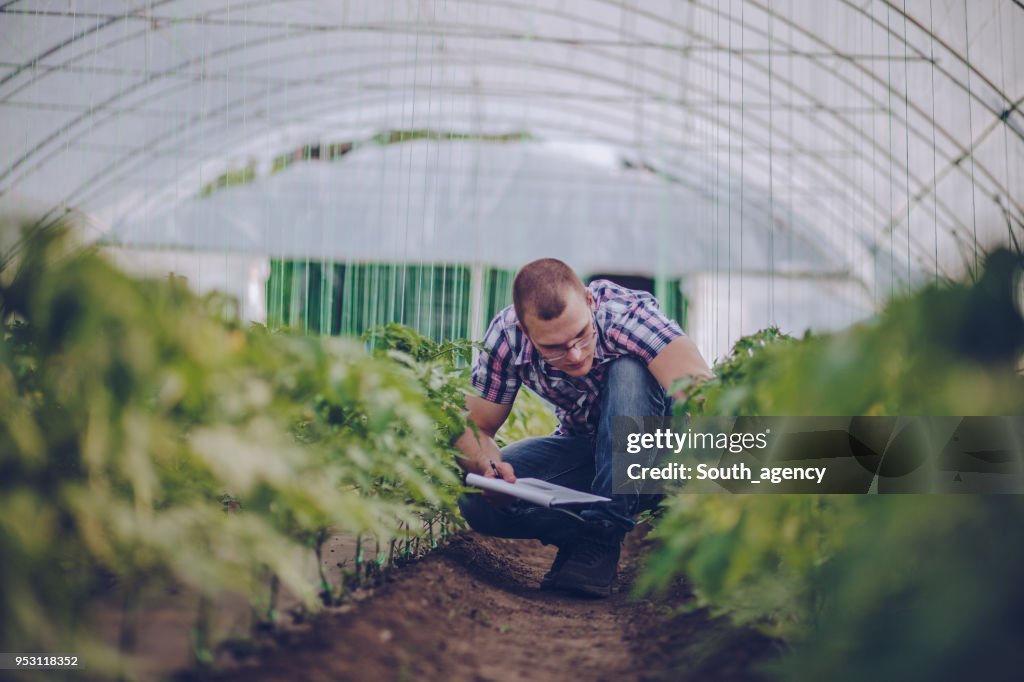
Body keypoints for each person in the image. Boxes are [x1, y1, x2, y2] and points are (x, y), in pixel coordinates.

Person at [455, 258, 713, 597]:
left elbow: (702, 395)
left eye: (581, 335)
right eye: (554, 348)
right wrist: (487, 467)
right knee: (477, 503)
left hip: (665, 456)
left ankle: (602, 534)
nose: (575, 355)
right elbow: (476, 427)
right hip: (590, 456)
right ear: (524, 327)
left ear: (590, 303)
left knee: (629, 370)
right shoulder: (507, 337)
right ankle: (590, 530)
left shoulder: (629, 318)